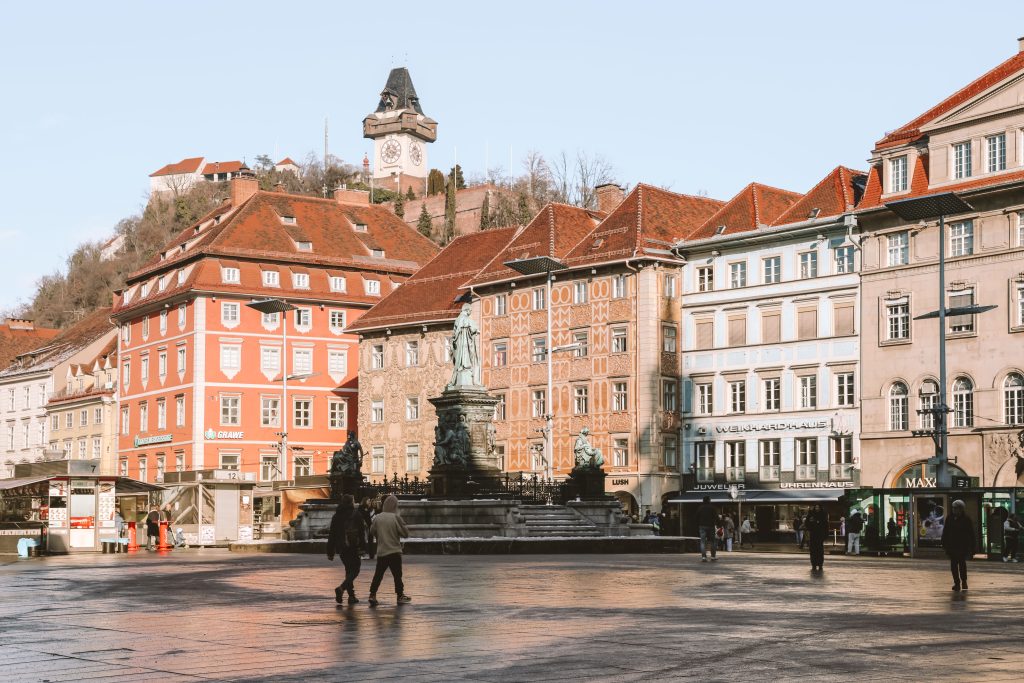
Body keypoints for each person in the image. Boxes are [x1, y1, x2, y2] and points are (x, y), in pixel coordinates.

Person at [368, 495, 411, 606]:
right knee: (397, 575)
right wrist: (402, 524)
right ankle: (400, 595)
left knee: (378, 575)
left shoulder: (378, 517)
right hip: (394, 551)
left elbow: (372, 531)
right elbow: (405, 534)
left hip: (382, 551)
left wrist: (379, 535)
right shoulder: (395, 517)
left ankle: (372, 594)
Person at [327, 494, 366, 605]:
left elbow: (332, 535)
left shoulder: (336, 516)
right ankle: (341, 588)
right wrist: (363, 547)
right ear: (351, 502)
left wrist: (330, 551)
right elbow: (362, 533)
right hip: (353, 546)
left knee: (349, 570)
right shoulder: (356, 514)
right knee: (355, 570)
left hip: (342, 547)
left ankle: (351, 596)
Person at [941, 499, 975, 591]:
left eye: (956, 508)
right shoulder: (949, 518)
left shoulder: (966, 519)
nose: (954, 510)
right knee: (953, 566)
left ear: (961, 509)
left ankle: (964, 581)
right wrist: (944, 543)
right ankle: (957, 583)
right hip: (952, 546)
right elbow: (946, 531)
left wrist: (972, 547)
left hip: (962, 546)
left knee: (962, 564)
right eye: (953, 508)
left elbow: (971, 533)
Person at [805, 503, 829, 571]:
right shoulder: (811, 514)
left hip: (820, 535)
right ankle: (814, 564)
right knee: (813, 551)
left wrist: (825, 535)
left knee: (820, 551)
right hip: (813, 535)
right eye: (816, 507)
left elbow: (826, 525)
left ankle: (820, 564)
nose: (817, 508)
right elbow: (807, 523)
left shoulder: (823, 515)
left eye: (818, 507)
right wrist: (811, 527)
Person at [695, 496, 720, 562]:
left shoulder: (700, 508)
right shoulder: (712, 508)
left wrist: (698, 524)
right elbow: (716, 517)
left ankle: (704, 557)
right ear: (709, 500)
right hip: (711, 526)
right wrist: (719, 525)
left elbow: (696, 517)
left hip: (702, 526)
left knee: (702, 542)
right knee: (712, 541)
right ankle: (713, 556)